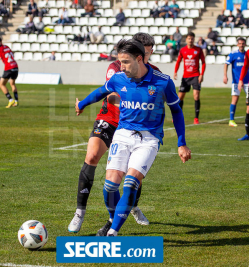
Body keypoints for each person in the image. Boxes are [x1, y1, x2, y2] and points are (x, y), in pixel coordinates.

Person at [74, 38, 191, 237]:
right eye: (120, 62)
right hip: (123, 134)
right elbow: (101, 92)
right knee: (110, 185)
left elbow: (177, 111)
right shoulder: (119, 79)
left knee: (130, 183)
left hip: (149, 139)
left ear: (139, 59)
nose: (122, 66)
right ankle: (114, 217)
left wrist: (182, 143)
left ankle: (113, 232)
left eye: (126, 62)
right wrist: (82, 104)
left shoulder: (163, 81)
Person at [68, 33, 161, 235]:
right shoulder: (117, 67)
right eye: (143, 49)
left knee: (133, 174)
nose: (146, 53)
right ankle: (79, 212)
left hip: (137, 129)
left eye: (149, 50)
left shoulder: (155, 73)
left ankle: (131, 207)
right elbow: (110, 97)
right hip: (110, 120)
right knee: (91, 156)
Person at [174, 32, 206, 124]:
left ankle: (196, 118)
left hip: (196, 75)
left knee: (196, 96)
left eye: (192, 38)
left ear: (194, 39)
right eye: (189, 38)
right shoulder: (183, 50)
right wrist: (175, 71)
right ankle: (178, 116)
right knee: (180, 97)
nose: (190, 40)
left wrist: (201, 74)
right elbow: (178, 61)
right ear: (186, 39)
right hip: (186, 77)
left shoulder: (198, 50)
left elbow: (203, 62)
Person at [223, 37, 249, 127]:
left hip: (247, 81)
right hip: (236, 81)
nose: (241, 45)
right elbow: (226, 64)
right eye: (240, 43)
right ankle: (231, 120)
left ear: (245, 44)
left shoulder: (248, 54)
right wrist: (225, 76)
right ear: (237, 44)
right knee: (235, 99)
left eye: (243, 43)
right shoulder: (233, 54)